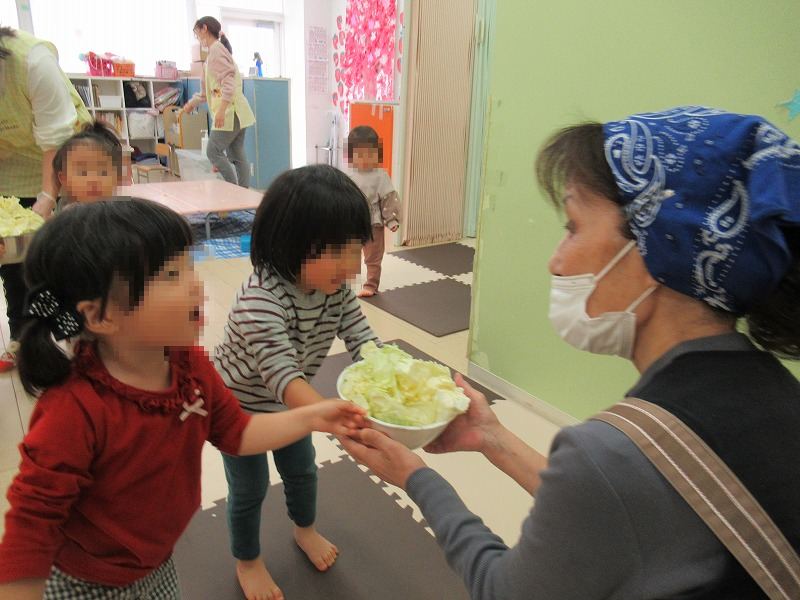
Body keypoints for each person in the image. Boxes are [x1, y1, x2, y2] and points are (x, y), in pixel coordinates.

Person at [340, 106, 800, 599]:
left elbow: (504, 591)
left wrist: (416, 479)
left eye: (574, 227)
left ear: (657, 251)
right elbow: (611, 516)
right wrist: (493, 438)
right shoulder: (777, 392)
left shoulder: (610, 454)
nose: (556, 261)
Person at [0, 199, 367, 599]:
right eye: (172, 275)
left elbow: (238, 432)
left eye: (189, 267)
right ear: (101, 316)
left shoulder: (189, 366)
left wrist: (314, 417)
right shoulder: (74, 411)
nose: (195, 284)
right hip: (85, 581)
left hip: (156, 563)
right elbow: (30, 531)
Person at [213, 163, 379, 600]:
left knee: (303, 472)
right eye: (338, 252)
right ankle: (248, 560)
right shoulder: (259, 300)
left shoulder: (335, 288)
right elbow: (283, 377)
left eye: (356, 249)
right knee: (248, 490)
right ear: (290, 245)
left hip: (292, 405)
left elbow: (362, 338)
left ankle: (304, 529)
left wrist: (391, 375)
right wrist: (328, 414)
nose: (352, 265)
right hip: (241, 412)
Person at [0, 27, 91, 372]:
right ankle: (25, 338)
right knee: (16, 265)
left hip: (59, 154)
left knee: (63, 260)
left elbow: (56, 140)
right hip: (12, 163)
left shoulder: (32, 60)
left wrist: (47, 199)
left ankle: (78, 340)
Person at [182, 16, 256, 188]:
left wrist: (222, 111)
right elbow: (207, 91)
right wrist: (191, 104)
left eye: (197, 33)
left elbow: (228, 84)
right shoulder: (213, 54)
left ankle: (233, 190)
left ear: (204, 28)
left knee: (213, 151)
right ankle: (242, 193)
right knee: (236, 154)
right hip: (237, 111)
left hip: (230, 111)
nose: (197, 38)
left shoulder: (216, 50)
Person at [346, 125, 401, 297]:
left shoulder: (381, 176)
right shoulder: (350, 176)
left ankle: (371, 285)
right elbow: (344, 200)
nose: (365, 159)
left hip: (373, 224)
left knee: (373, 257)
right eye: (359, 154)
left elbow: (389, 200)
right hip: (354, 223)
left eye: (370, 154)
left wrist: (392, 220)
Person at [53, 121, 125, 210]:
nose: (93, 179)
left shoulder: (121, 210)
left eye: (102, 172)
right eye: (82, 172)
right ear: (64, 179)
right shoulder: (65, 209)